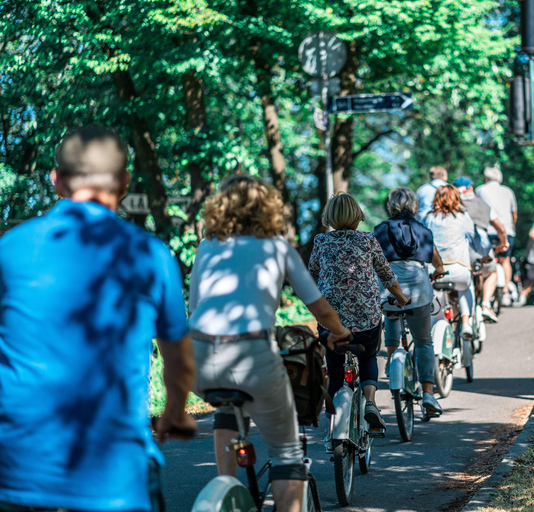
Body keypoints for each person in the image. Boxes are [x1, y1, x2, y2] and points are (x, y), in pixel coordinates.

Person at [0, 125, 196, 512]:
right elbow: (179, 361)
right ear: (125, 182)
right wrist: (174, 414)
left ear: (56, 181)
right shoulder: (149, 254)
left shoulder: (9, 247)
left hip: (15, 470)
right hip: (113, 477)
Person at [189, 175, 351, 512]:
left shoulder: (207, 245)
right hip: (252, 353)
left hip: (200, 355)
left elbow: (195, 306)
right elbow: (317, 305)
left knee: (226, 411)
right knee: (287, 453)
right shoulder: (277, 247)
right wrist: (338, 332)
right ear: (268, 208)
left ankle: (226, 486)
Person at [309, 193, 410, 437]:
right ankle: (371, 403)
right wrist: (401, 298)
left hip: (331, 321)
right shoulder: (367, 240)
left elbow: (311, 275)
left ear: (330, 217)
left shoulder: (321, 241)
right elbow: (387, 276)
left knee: (334, 369)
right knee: (367, 357)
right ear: (357, 216)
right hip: (366, 320)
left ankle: (333, 419)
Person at [374, 187, 447, 414]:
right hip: (418, 291)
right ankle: (428, 394)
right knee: (424, 341)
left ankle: (391, 361)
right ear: (414, 205)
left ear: (390, 205)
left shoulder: (380, 229)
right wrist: (439, 270)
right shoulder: (422, 229)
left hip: (389, 290)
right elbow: (436, 259)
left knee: (392, 315)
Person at [453, 176, 509, 322]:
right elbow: (501, 229)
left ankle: (458, 313)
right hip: (480, 247)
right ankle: (485, 304)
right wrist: (503, 243)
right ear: (470, 188)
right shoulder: (483, 204)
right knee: (492, 271)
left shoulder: (452, 204)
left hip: (458, 248)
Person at [424, 185, 476, 340]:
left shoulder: (429, 217)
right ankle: (466, 322)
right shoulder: (463, 216)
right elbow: (476, 240)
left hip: (434, 272)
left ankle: (435, 335)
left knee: (436, 312)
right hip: (458, 269)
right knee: (467, 285)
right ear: (456, 198)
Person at [475, 166, 518, 306]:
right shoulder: (508, 192)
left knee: (485, 260)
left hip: (487, 231)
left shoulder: (480, 190)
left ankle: (482, 292)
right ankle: (505, 292)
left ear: (486, 178)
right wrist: (511, 228)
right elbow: (514, 214)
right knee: (505, 260)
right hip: (506, 230)